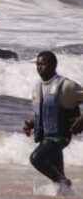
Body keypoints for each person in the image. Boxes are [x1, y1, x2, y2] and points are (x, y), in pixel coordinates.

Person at [23, 51, 83, 191]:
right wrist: (31, 124)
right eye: (37, 64)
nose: (39, 67)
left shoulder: (66, 86)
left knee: (36, 158)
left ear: (53, 65)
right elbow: (44, 112)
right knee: (58, 176)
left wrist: (81, 119)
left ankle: (63, 182)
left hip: (60, 136)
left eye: (43, 64)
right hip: (46, 136)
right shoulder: (37, 88)